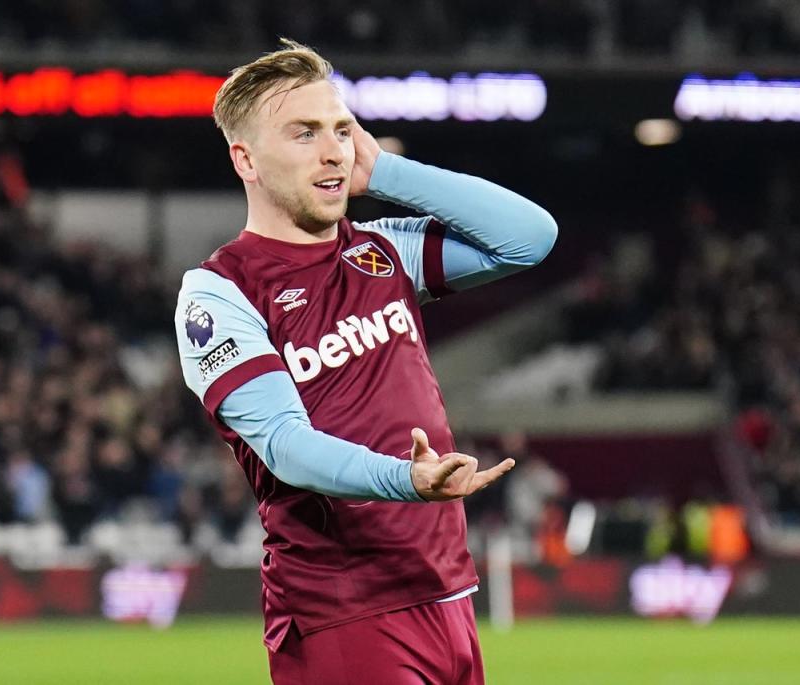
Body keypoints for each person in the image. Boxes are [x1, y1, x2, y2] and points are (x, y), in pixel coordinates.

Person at [175, 39, 557, 685]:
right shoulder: (219, 291)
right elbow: (286, 446)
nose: (332, 150)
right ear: (246, 158)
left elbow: (528, 238)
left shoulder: (381, 251)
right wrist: (406, 480)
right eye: (303, 134)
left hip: (446, 588)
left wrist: (385, 173)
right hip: (343, 609)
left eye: (342, 130)